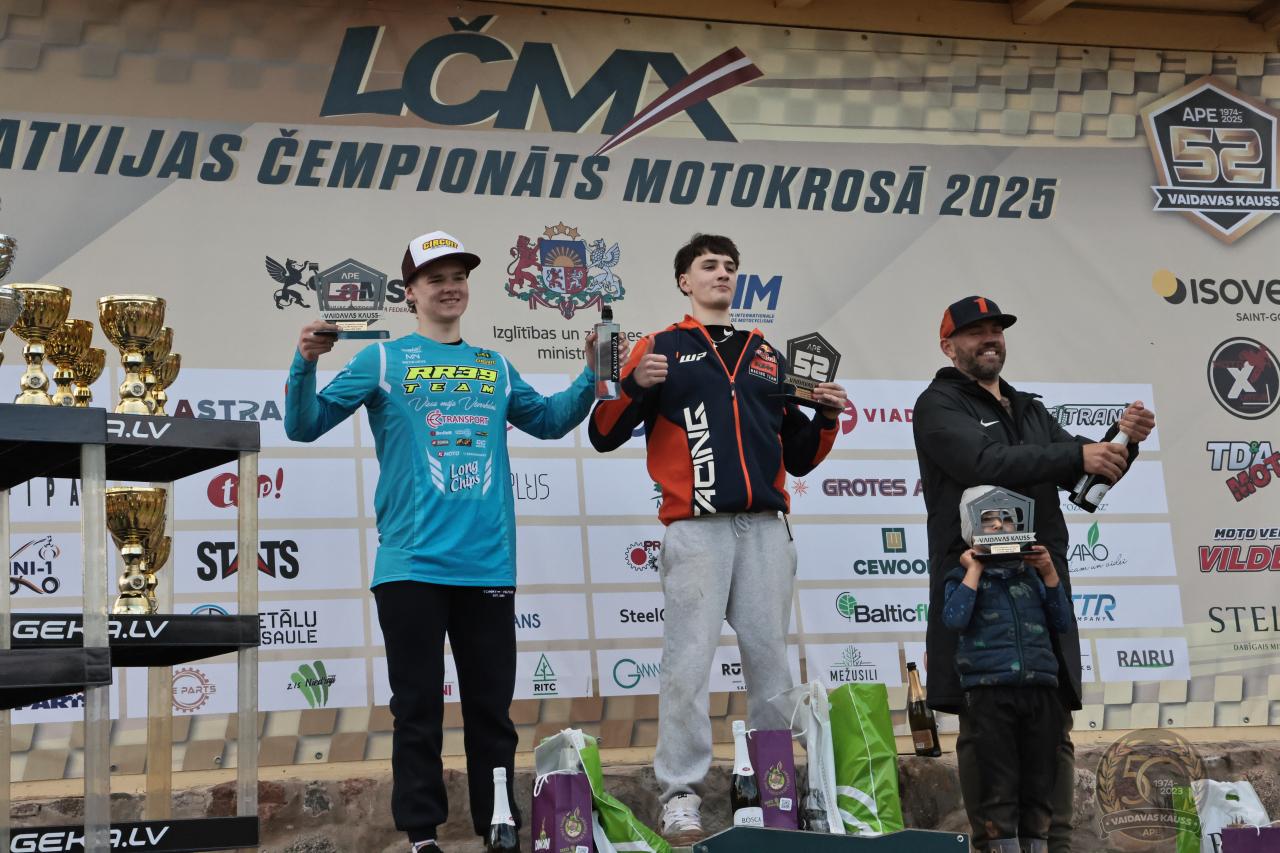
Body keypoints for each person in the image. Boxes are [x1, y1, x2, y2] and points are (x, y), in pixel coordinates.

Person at [285, 230, 613, 853]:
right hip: (410, 566)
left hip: (487, 564)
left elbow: (547, 422)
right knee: (417, 710)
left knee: (491, 711)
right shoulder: (381, 360)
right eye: (434, 278)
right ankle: (421, 835)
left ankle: (499, 824)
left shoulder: (494, 365)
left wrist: (590, 376)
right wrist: (305, 363)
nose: (449, 287)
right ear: (410, 293)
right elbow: (303, 426)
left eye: (458, 277)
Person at [588, 233, 846, 845]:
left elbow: (800, 457)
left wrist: (828, 416)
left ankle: (776, 790)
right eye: (709, 265)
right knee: (686, 667)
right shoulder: (658, 346)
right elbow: (603, 433)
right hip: (695, 530)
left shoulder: (766, 355)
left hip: (764, 530)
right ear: (685, 281)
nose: (722, 273)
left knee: (771, 670)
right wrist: (635, 384)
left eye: (730, 266)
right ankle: (680, 796)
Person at [911, 295, 1155, 853]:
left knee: (1053, 722)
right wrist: (1078, 456)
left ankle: (1056, 843)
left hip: (1041, 583)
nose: (989, 339)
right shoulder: (938, 404)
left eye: (996, 329)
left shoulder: (1028, 408)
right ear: (948, 346)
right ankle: (993, 843)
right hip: (978, 589)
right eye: (975, 332)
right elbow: (983, 464)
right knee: (984, 724)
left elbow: (1086, 478)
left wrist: (1123, 441)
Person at [943, 487, 1074, 853]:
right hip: (990, 693)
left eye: (1007, 519)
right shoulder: (959, 576)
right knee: (998, 786)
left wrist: (1048, 571)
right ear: (971, 529)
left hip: (1040, 690)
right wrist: (973, 569)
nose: (1000, 526)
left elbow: (1062, 621)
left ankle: (1037, 845)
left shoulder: (1031, 576)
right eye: (989, 520)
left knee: (1040, 785)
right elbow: (954, 619)